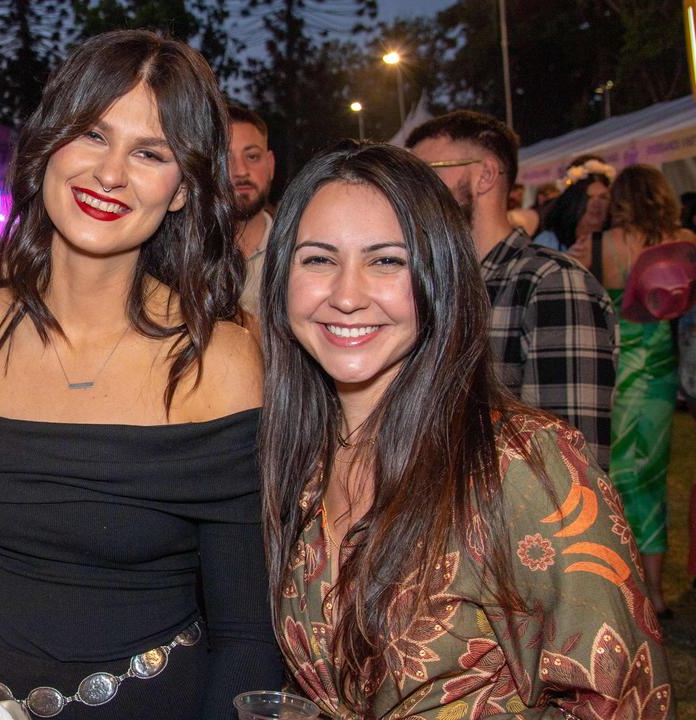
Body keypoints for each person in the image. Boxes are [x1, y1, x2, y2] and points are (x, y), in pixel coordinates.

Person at [0, 30, 281, 719]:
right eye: (91, 135)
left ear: (180, 190)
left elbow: (249, 636)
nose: (111, 174)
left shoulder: (221, 361)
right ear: (48, 147)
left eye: (150, 152)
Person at [260, 141, 670, 718]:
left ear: (439, 276)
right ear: (281, 280)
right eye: (319, 259)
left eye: (386, 261)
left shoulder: (525, 464)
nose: (346, 296)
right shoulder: (297, 459)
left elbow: (625, 697)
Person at [409, 110, 616, 472]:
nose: (411, 191)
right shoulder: (436, 284)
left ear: (485, 175)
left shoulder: (551, 283)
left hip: (514, 522)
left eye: (427, 173)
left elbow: (570, 469)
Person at [567, 164, 696, 618]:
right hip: (660, 377)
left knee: (615, 480)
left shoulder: (600, 247)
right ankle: (656, 592)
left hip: (615, 377)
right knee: (652, 482)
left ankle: (625, 591)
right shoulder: (684, 243)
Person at [226, 103, 275, 323]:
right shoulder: (180, 260)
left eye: (252, 156)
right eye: (225, 159)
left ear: (270, 164)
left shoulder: (300, 253)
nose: (241, 170)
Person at [532, 158, 614, 251]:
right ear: (574, 202)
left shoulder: (616, 243)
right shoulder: (548, 242)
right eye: (588, 197)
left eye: (603, 197)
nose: (596, 204)